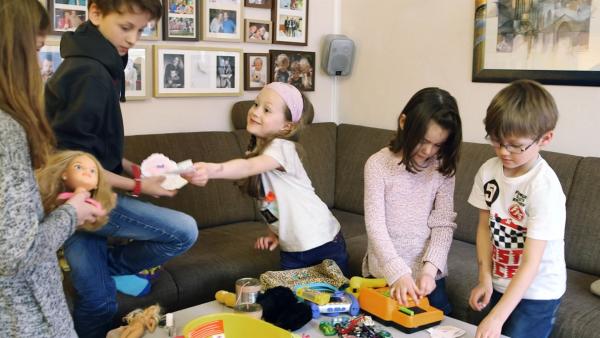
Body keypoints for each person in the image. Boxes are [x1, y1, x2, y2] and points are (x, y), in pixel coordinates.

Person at [44, 1, 199, 337]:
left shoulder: (100, 62)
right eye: (126, 27)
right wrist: (140, 187)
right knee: (184, 231)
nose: (133, 39)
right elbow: (73, 161)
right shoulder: (89, 72)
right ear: (96, 13)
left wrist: (132, 170)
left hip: (84, 196)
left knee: (100, 302)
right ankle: (113, 265)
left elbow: (98, 145)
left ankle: (106, 266)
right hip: (79, 197)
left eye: (140, 30)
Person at [0, 0, 104, 336]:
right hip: (24, 317)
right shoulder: (7, 131)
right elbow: (17, 254)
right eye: (34, 50)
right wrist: (71, 213)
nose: (39, 66)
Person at [185, 83, 350, 275]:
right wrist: (275, 232)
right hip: (293, 249)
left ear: (287, 126)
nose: (255, 111)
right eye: (256, 104)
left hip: (323, 241)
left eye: (267, 109)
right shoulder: (255, 151)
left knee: (333, 301)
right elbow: (270, 200)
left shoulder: (283, 148)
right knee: (293, 302)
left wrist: (211, 170)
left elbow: (247, 167)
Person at [468, 80, 565, 338]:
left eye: (515, 145)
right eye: (496, 141)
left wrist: (497, 316)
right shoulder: (488, 171)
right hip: (499, 280)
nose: (503, 152)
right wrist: (484, 278)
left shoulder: (544, 188)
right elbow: (484, 228)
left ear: (545, 138)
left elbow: (531, 262)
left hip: (537, 292)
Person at [362, 88, 462, 315]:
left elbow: (443, 223)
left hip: (428, 278)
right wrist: (398, 272)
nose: (428, 151)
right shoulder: (377, 165)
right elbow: (375, 225)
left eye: (438, 145)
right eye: (423, 141)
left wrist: (430, 269)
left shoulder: (442, 167)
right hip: (385, 274)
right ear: (404, 122)